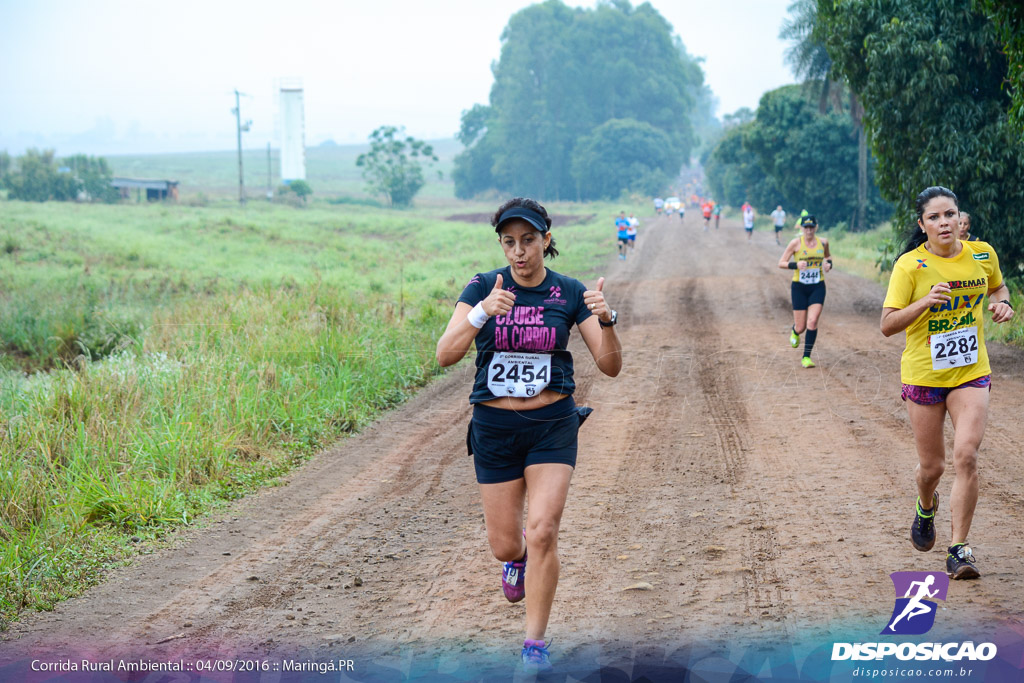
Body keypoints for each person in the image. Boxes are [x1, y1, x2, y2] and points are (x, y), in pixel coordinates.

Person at [436, 197, 623, 671]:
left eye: (528, 241)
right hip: (495, 428)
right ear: (502, 244)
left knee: (543, 531)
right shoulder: (483, 286)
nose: (519, 252)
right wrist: (482, 312)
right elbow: (445, 355)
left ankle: (534, 646)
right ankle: (514, 558)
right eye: (509, 242)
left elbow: (609, 365)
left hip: (552, 426)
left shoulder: (569, 292)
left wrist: (606, 320)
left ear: (547, 239)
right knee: (507, 544)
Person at [880, 186, 1013, 580]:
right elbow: (887, 325)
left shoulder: (982, 254)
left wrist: (1003, 303)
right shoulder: (910, 266)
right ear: (922, 226)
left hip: (971, 371)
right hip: (924, 375)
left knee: (966, 455)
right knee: (932, 466)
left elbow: (998, 287)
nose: (944, 222)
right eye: (934, 217)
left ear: (960, 219)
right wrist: (923, 303)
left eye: (950, 214)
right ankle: (925, 506)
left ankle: (959, 549)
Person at [778, 214, 831, 367]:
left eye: (811, 227)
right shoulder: (795, 243)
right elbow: (781, 263)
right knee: (801, 327)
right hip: (799, 287)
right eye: (806, 227)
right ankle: (794, 331)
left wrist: (828, 265)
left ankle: (806, 357)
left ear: (816, 227)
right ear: (802, 228)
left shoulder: (823, 242)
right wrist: (796, 265)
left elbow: (828, 257)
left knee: (812, 321)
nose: (809, 230)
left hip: (817, 286)